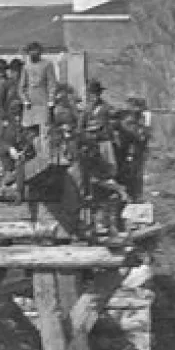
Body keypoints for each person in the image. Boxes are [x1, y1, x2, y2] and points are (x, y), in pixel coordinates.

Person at [78, 79, 127, 237]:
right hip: (91, 144)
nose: (93, 97)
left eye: (96, 94)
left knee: (108, 170)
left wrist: (106, 129)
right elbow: (80, 127)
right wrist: (87, 134)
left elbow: (114, 121)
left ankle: (110, 186)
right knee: (90, 176)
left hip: (104, 142)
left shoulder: (106, 108)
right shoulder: (86, 110)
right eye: (91, 94)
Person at [18, 42, 59, 142]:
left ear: (40, 53)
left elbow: (52, 83)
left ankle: (44, 150)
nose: (33, 54)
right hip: (30, 104)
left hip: (43, 102)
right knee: (30, 132)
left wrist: (51, 100)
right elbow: (21, 87)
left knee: (44, 132)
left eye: (35, 52)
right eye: (31, 52)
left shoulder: (47, 64)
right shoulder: (26, 67)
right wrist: (25, 100)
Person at [115, 97, 151, 202]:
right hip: (126, 150)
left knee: (136, 174)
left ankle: (135, 196)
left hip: (136, 151)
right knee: (127, 173)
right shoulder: (126, 118)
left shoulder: (140, 119)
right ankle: (128, 195)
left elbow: (142, 135)